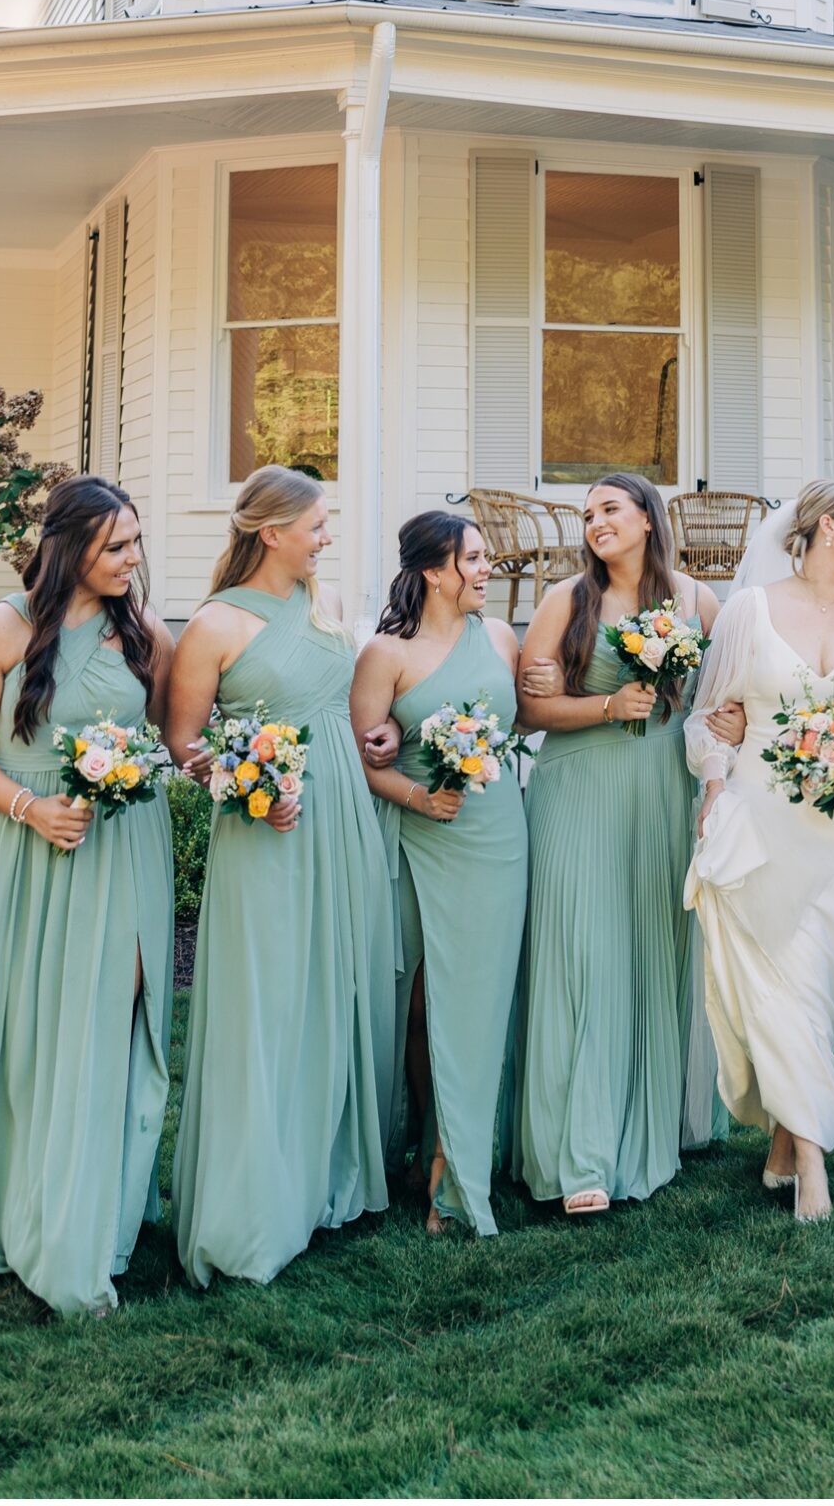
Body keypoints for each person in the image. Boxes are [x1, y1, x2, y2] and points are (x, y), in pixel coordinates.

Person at [0, 477, 175, 1316]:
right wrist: (32, 809)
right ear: (68, 548)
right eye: (116, 548)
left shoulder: (144, 634)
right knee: (27, 1030)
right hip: (24, 848)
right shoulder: (4, 627)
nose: (133, 561)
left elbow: (172, 739)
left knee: (112, 1022)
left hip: (126, 847)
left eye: (136, 543)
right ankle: (16, 1208)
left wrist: (250, 767)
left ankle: (88, 1218)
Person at [166, 466, 396, 1286]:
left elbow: (340, 704)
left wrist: (378, 740)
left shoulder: (325, 606)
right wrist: (251, 791)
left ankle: (330, 1178)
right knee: (268, 999)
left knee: (339, 987)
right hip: (269, 830)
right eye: (317, 525)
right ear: (272, 533)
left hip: (342, 816)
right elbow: (185, 742)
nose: (327, 537)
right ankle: (255, 1198)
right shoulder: (217, 624)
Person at [686, 479, 834, 1223]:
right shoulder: (749, 611)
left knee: (819, 994)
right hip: (762, 817)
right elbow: (704, 721)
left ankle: (785, 1143)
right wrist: (714, 786)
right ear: (828, 527)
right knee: (778, 981)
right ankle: (814, 1166)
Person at [512, 473, 728, 1216]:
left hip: (664, 794)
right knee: (584, 955)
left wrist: (722, 746)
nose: (596, 522)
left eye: (610, 509)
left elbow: (723, 701)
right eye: (588, 514)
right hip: (579, 791)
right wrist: (606, 704)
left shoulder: (698, 602)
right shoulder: (564, 601)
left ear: (646, 518)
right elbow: (527, 707)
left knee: (652, 949)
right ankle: (582, 1154)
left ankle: (652, 1117)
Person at [352, 511, 529, 1236]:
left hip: (495, 837)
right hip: (418, 836)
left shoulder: (501, 638)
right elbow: (364, 765)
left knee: (479, 1003)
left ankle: (454, 1171)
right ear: (435, 571)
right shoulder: (385, 655)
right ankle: (422, 1138)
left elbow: (512, 728)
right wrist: (417, 788)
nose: (489, 569)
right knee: (421, 1006)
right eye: (476, 559)